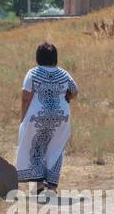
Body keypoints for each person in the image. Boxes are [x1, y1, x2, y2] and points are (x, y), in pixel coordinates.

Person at [15, 41, 78, 198]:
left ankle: (39, 184)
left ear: (38, 57)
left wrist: (23, 118)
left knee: (35, 146)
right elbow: (75, 91)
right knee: (56, 149)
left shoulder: (33, 73)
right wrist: (66, 98)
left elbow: (25, 97)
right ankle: (53, 186)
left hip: (37, 116)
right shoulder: (64, 74)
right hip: (61, 116)